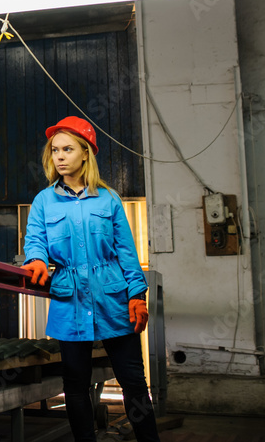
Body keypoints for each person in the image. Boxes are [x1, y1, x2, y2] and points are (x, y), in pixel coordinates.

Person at [22, 116, 159, 442]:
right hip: (69, 301)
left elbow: (126, 251)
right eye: (55, 150)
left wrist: (137, 294)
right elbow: (35, 239)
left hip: (113, 300)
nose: (59, 156)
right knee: (75, 385)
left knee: (133, 382)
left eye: (67, 149)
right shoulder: (44, 201)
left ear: (86, 153)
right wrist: (36, 258)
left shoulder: (108, 198)